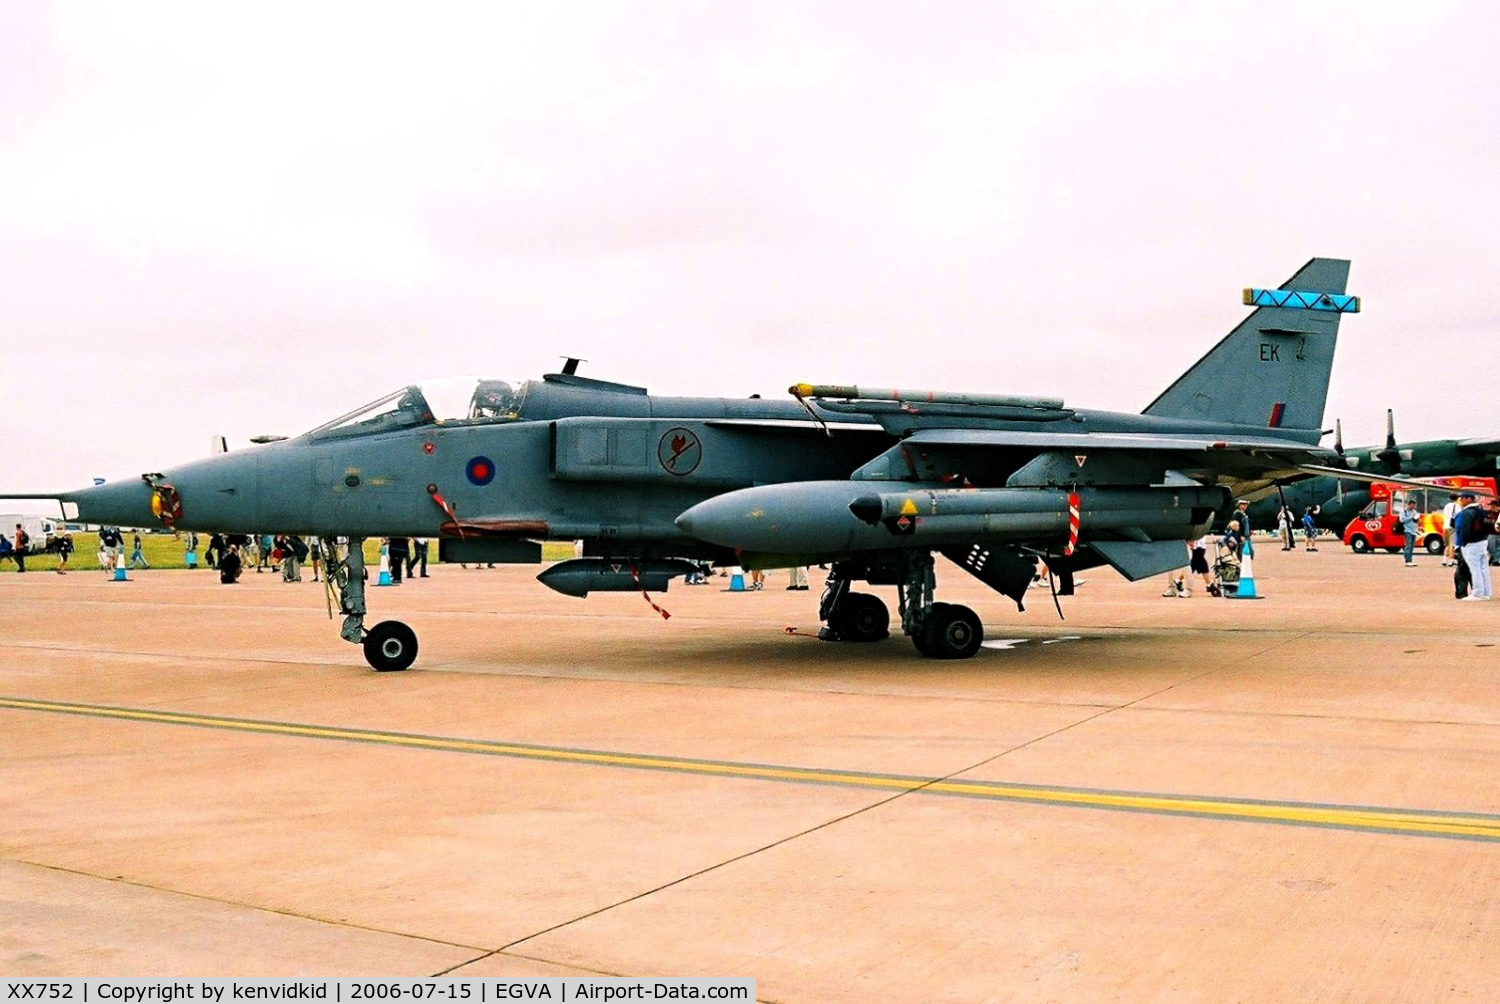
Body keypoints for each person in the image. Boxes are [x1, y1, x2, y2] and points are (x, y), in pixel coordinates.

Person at [1453, 490, 1493, 600]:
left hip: (1471, 543)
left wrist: (1464, 543)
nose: (1461, 500)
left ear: (1469, 499)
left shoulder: (1467, 512)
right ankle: (1486, 592)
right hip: (1482, 541)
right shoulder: (1481, 511)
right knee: (1483, 568)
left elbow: (1464, 529)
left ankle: (1477, 593)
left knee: (1474, 568)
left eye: (1463, 497)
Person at [1399, 498, 1421, 567]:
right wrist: (1411, 517)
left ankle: (1410, 560)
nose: (1413, 507)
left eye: (1414, 506)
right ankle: (1407, 560)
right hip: (1407, 530)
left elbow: (1417, 520)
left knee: (1412, 546)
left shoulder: (1414, 512)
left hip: (1413, 531)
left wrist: (1417, 520)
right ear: (1408, 505)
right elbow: (1402, 520)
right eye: (1412, 505)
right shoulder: (1404, 511)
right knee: (1408, 545)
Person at [1441, 493, 1461, 566]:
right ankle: (1450, 560)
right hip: (1452, 526)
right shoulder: (1457, 506)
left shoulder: (1446, 506)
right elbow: (1458, 515)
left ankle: (1444, 559)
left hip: (1445, 525)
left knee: (1447, 544)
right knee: (1452, 544)